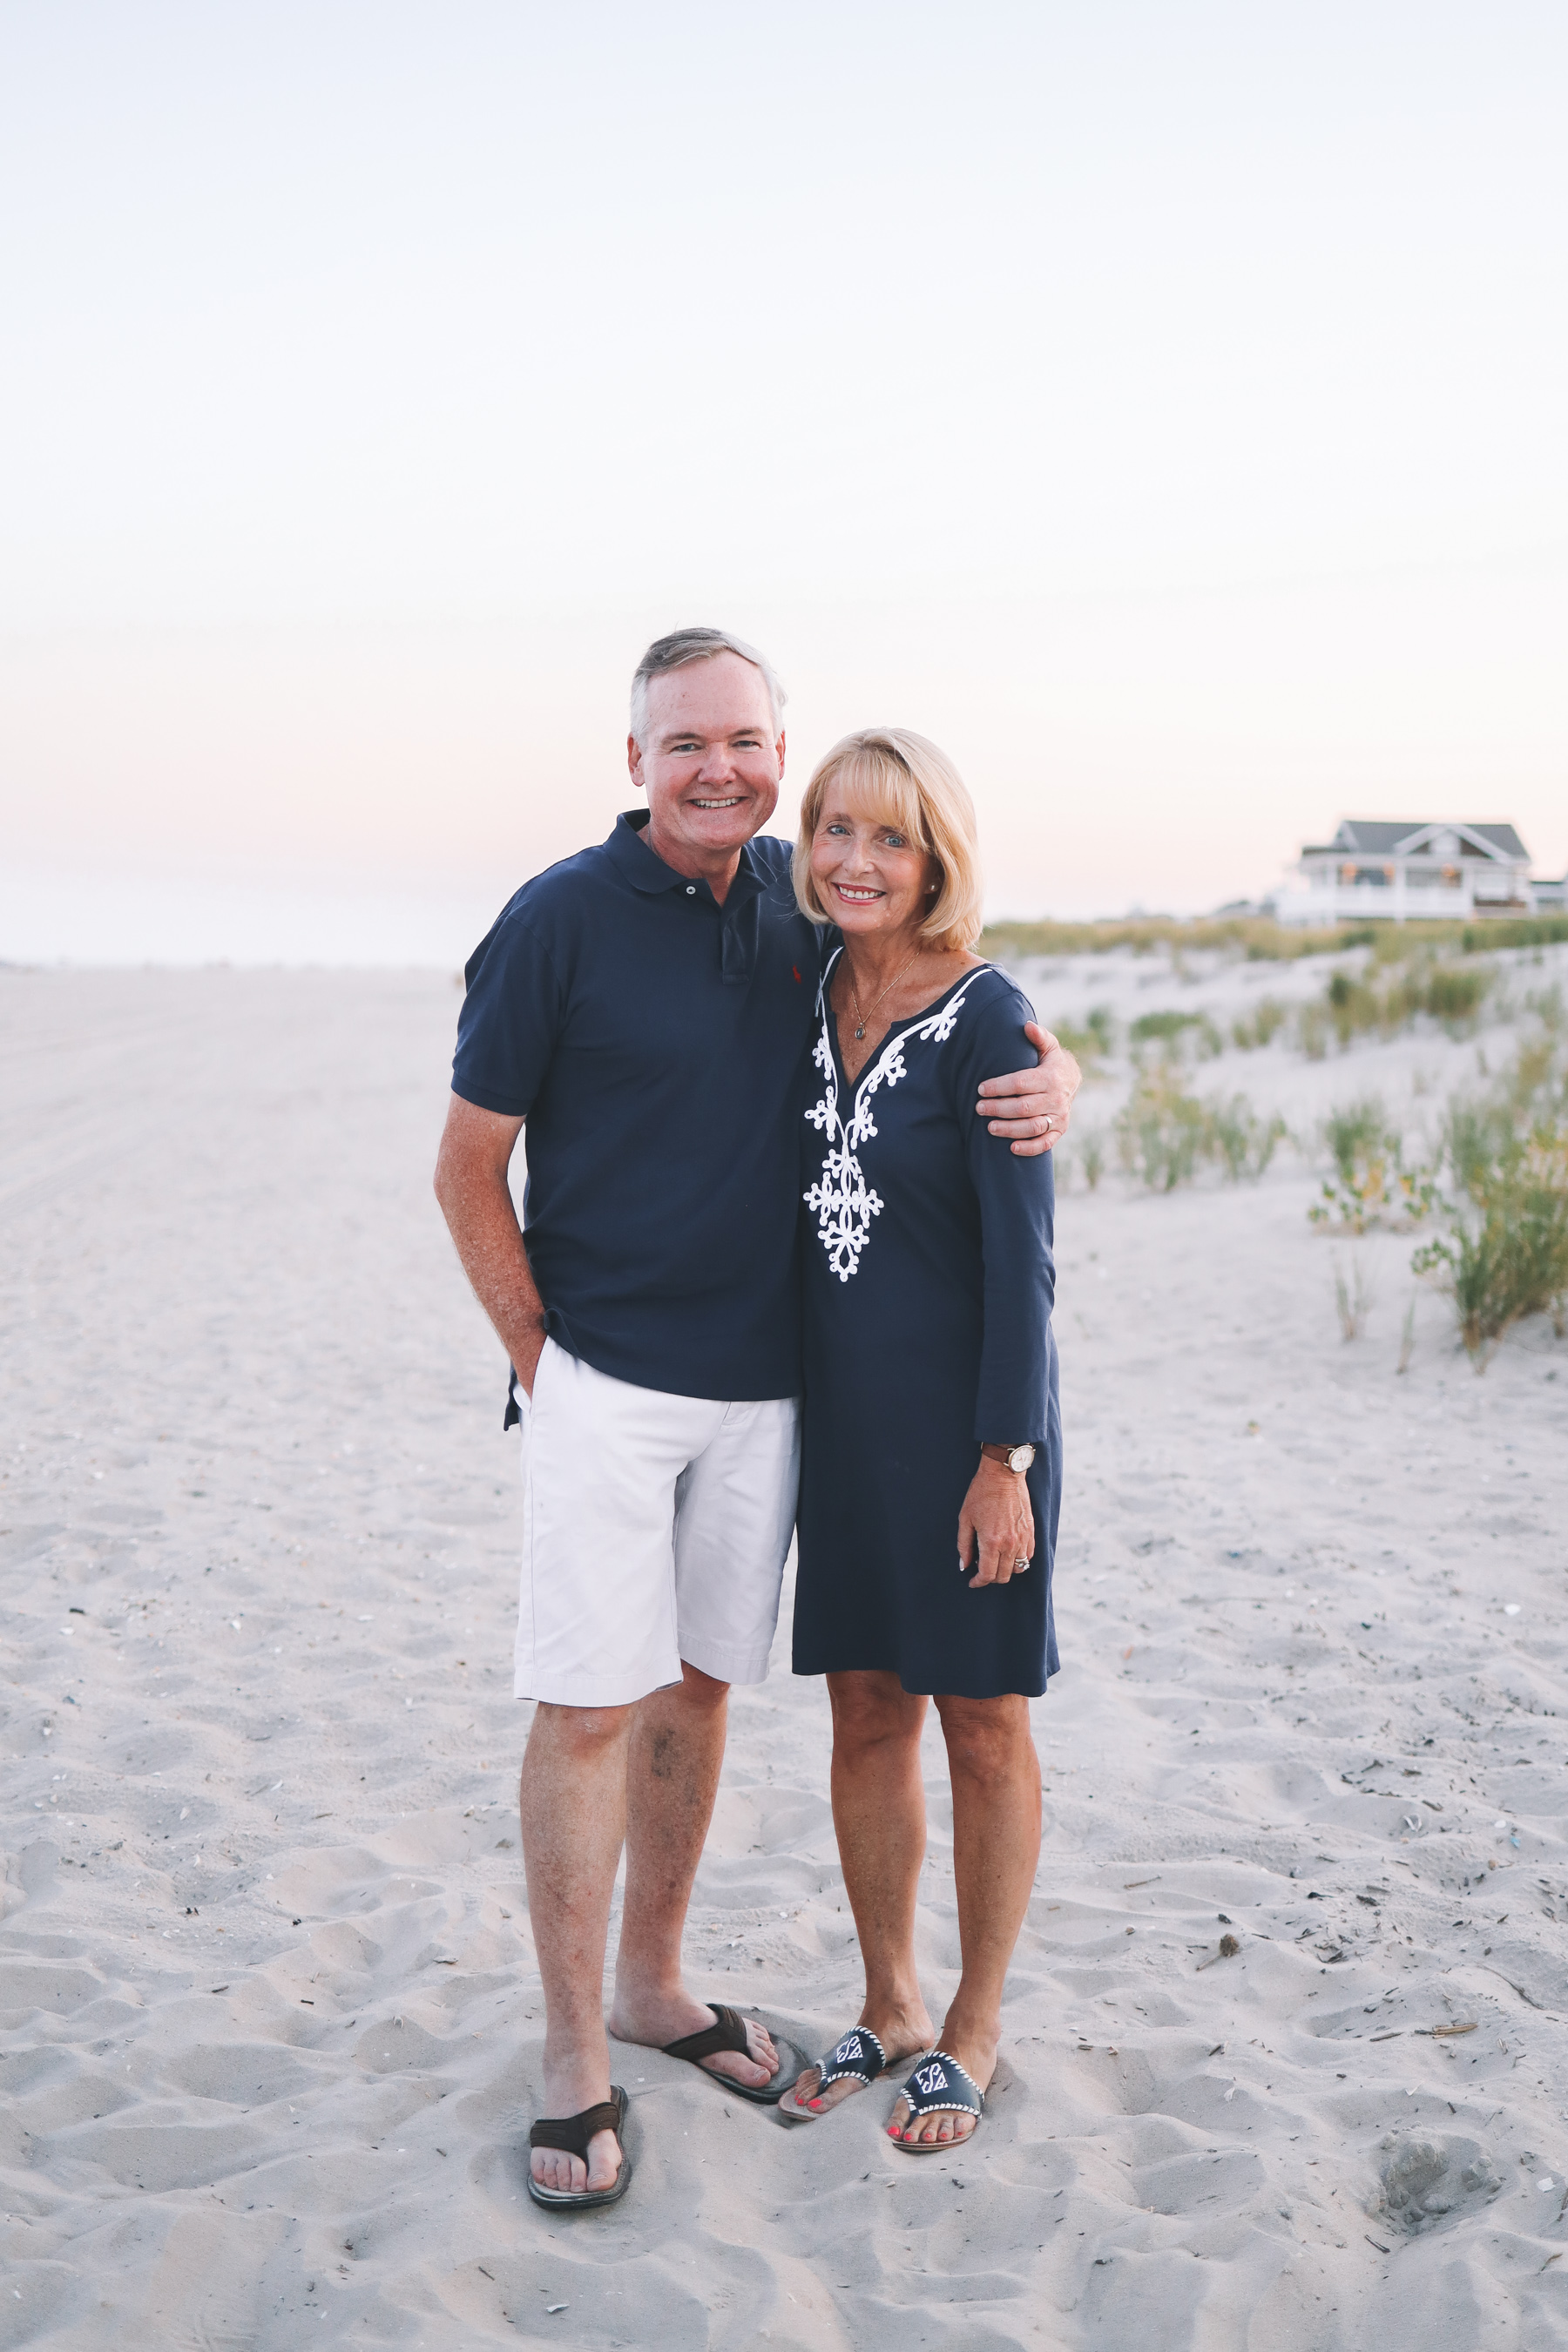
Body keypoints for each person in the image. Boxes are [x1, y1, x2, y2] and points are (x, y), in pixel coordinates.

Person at [432, 632, 1078, 2209]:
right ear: (636, 758)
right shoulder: (560, 918)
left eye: (742, 740)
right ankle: (582, 2053)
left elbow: (982, 1050)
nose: (717, 768)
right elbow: (467, 1166)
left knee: (707, 1694)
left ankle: (669, 1988)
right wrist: (542, 1363)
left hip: (785, 1407)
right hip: (618, 1388)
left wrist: (1065, 1074)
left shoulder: (806, 906)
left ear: (774, 751)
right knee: (592, 1706)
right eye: (682, 743)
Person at [780, 728, 1059, 2152]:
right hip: (840, 1433)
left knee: (984, 1724)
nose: (857, 861)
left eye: (891, 838)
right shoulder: (798, 979)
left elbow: (1028, 1265)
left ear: (937, 852)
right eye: (834, 830)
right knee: (866, 1711)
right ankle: (890, 2001)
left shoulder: (993, 1019)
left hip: (969, 1439)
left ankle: (976, 2024)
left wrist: (1003, 1459)